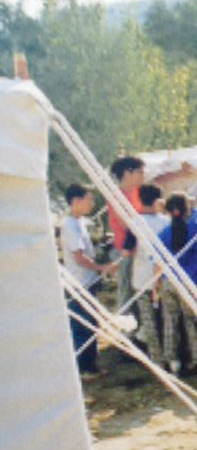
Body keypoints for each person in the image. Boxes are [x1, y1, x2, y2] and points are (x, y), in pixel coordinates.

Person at [60, 184, 117, 376]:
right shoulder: (69, 225)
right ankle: (83, 368)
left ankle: (90, 365)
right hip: (79, 283)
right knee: (82, 326)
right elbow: (79, 258)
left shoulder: (81, 222)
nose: (92, 204)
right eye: (89, 200)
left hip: (88, 281)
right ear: (76, 201)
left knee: (91, 324)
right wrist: (102, 268)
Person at [158, 192, 197, 377]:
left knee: (170, 323)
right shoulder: (195, 228)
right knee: (192, 323)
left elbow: (156, 260)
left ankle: (173, 362)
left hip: (169, 281)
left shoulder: (163, 233)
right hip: (190, 281)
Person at [127, 184, 168, 365]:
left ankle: (156, 359)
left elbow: (127, 251)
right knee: (167, 319)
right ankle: (171, 356)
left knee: (148, 320)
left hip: (142, 278)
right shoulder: (166, 221)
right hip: (165, 278)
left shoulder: (135, 222)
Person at [108, 156, 144, 311]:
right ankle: (127, 329)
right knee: (126, 292)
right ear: (127, 173)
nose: (142, 175)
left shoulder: (139, 192)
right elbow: (125, 223)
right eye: (139, 172)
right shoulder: (117, 196)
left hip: (139, 249)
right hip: (125, 250)